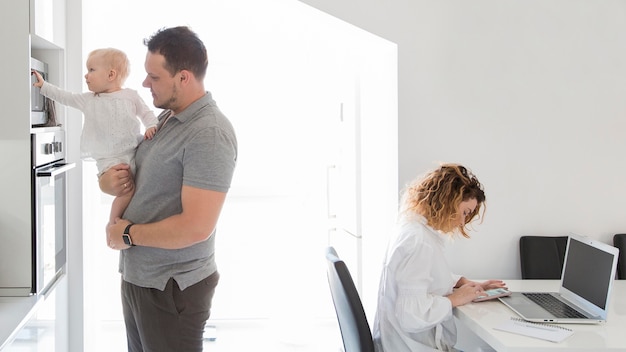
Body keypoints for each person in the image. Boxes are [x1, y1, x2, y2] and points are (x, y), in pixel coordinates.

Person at [100, 26, 238, 352]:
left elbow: (196, 227)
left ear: (184, 78)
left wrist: (129, 234)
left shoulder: (209, 133)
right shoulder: (166, 119)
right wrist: (107, 182)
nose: (145, 83)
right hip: (142, 279)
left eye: (154, 77)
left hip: (171, 287)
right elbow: (142, 182)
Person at [372, 163, 506, 352]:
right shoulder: (419, 242)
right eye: (465, 213)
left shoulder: (413, 229)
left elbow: (421, 278)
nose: (462, 222)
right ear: (449, 201)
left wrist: (463, 283)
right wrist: (454, 299)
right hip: (410, 346)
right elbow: (410, 315)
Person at [32, 48, 158, 224]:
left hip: (132, 153)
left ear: (111, 74)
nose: (86, 75)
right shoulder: (89, 99)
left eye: (91, 70)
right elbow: (66, 97)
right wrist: (44, 86)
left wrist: (151, 125)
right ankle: (114, 222)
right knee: (126, 192)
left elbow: (147, 113)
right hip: (107, 160)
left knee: (137, 189)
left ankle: (136, 222)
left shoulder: (130, 96)